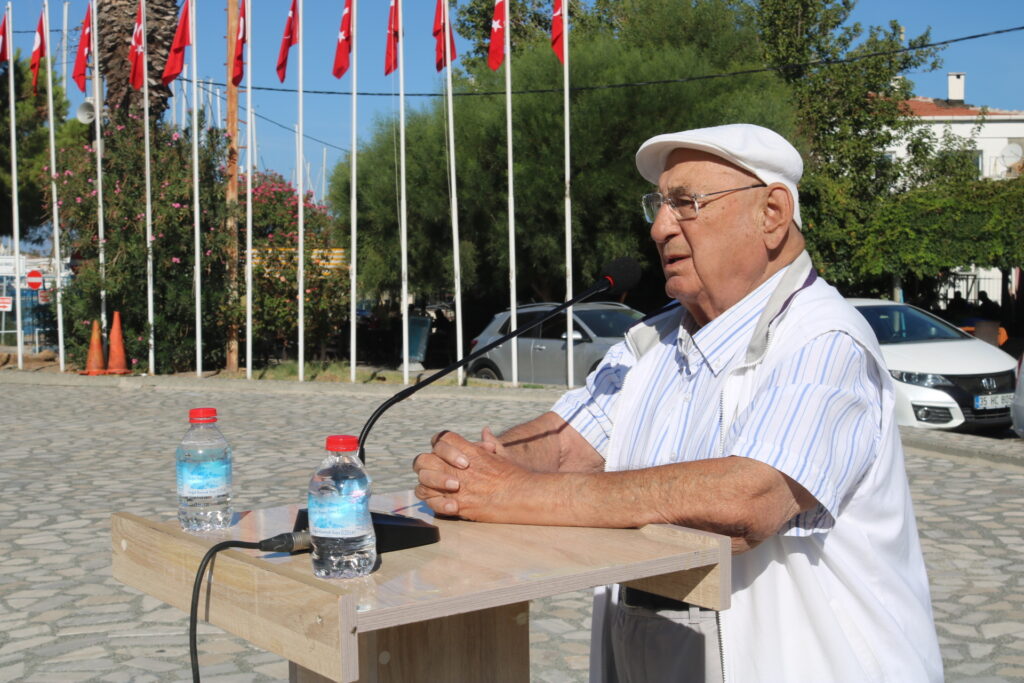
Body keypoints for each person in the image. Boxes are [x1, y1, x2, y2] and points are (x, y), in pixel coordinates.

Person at [414, 124, 942, 682]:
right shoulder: (655, 338)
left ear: (772, 213)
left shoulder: (823, 338)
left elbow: (747, 501)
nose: (660, 228)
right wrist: (473, 468)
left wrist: (513, 492)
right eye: (658, 205)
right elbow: (566, 444)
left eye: (687, 203)